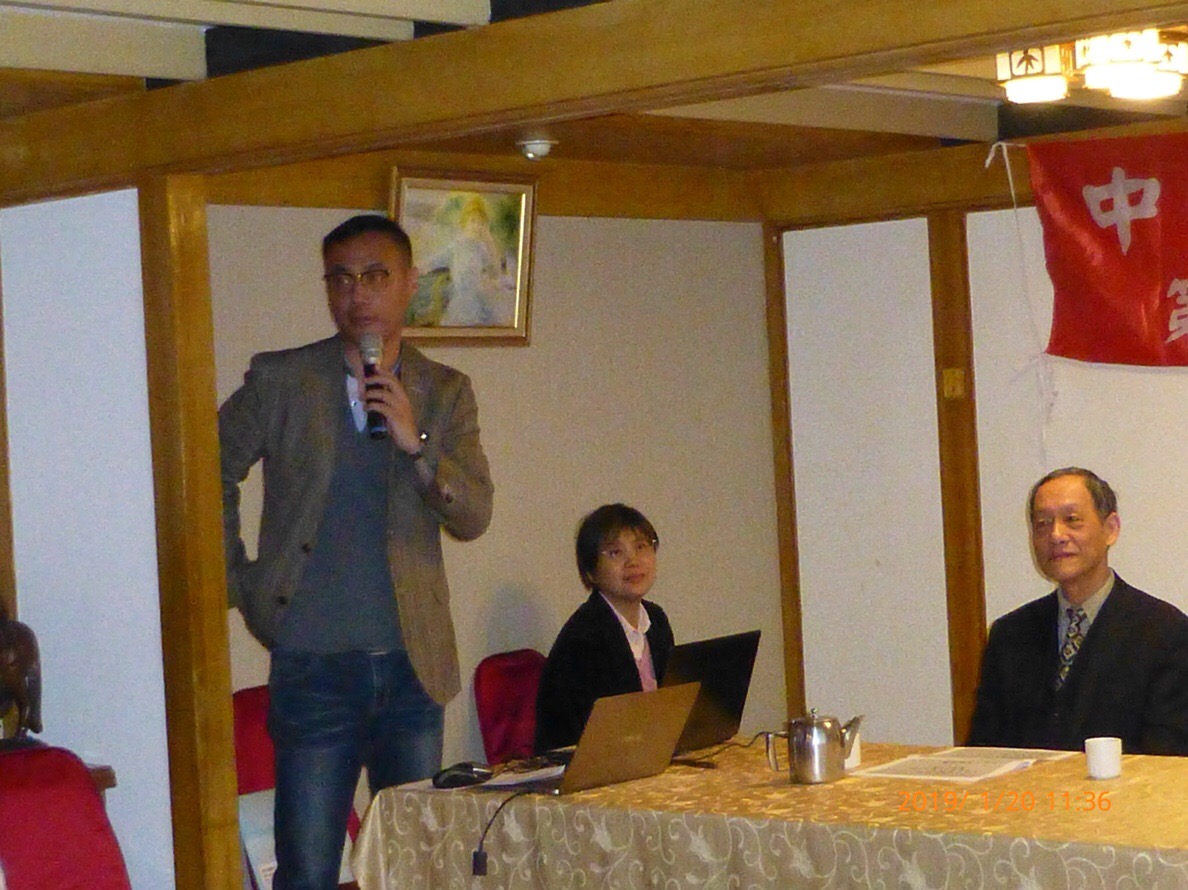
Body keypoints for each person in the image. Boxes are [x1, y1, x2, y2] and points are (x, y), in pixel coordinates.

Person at [219, 213, 494, 889]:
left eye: (375, 277)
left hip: (413, 668)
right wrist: (239, 579)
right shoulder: (282, 380)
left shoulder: (445, 391)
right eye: (340, 279)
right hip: (314, 665)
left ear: (408, 284)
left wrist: (415, 443)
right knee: (309, 870)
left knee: (414, 869)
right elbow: (204, 469)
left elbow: (474, 515)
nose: (357, 294)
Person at [967, 467, 1188, 754]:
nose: (1056, 535)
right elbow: (983, 752)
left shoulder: (1165, 633)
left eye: (1072, 520)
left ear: (1110, 529)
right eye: (1042, 524)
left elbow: (1169, 756)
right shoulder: (1010, 634)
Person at [534, 503, 674, 752]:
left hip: (646, 756)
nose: (633, 561)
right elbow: (584, 735)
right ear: (591, 572)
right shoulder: (582, 638)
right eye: (615, 553)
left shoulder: (657, 620)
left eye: (641, 547)